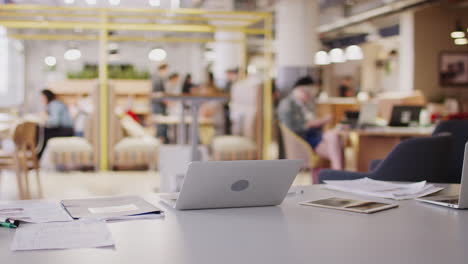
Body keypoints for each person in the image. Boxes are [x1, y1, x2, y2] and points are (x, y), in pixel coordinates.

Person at [277, 77, 344, 170]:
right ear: (299, 90)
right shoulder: (287, 104)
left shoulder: (307, 104)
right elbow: (292, 127)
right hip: (303, 139)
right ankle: (338, 170)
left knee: (333, 136)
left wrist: (319, 123)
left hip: (314, 136)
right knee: (337, 150)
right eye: (307, 93)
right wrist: (313, 124)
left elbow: (313, 122)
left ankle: (337, 170)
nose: (309, 96)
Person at [38, 89, 74, 159]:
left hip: (66, 130)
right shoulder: (54, 104)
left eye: (42, 97)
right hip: (66, 129)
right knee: (43, 132)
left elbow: (55, 122)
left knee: (42, 133)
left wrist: (45, 119)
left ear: (46, 97)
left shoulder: (54, 104)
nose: (41, 100)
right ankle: (38, 155)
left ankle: (38, 156)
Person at [152, 64, 169, 143]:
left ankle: (163, 139)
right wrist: (165, 100)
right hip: (158, 104)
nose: (166, 72)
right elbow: (157, 93)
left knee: (162, 123)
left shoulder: (159, 78)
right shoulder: (157, 79)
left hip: (160, 104)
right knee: (160, 124)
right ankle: (161, 140)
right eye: (166, 69)